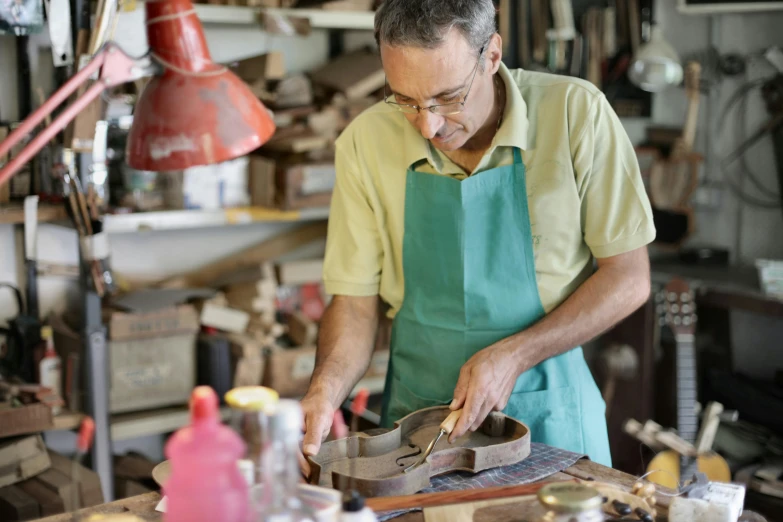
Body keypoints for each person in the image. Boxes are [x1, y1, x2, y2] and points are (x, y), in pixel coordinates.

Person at [299, 0, 655, 472]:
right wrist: (324, 389)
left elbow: (628, 277)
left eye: (448, 98)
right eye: (404, 99)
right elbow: (355, 302)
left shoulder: (576, 113)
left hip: (551, 414)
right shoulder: (366, 141)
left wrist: (514, 355)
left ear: (491, 56)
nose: (428, 125)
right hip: (418, 428)